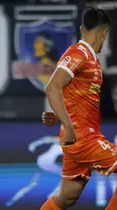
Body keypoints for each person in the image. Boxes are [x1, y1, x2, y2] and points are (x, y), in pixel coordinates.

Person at [39, 7, 116, 210]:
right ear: (105, 32)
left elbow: (74, 96)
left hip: (77, 136)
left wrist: (58, 116)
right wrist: (68, 124)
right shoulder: (79, 53)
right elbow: (52, 87)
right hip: (83, 138)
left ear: (82, 28)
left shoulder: (89, 58)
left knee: (67, 197)